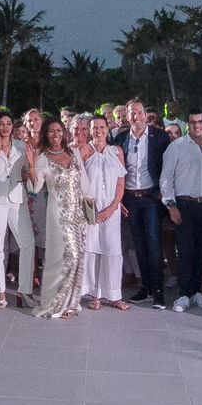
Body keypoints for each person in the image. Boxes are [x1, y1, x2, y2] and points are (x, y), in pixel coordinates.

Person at [27, 117, 88, 319]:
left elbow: (84, 182)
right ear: (46, 134)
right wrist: (31, 165)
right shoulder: (43, 158)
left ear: (64, 133)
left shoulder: (74, 153)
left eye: (59, 130)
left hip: (78, 213)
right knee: (65, 257)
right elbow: (35, 188)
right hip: (58, 214)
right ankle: (54, 303)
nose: (56, 135)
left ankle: (70, 303)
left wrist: (91, 205)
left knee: (78, 257)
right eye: (51, 131)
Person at [160, 109, 202, 313]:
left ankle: (196, 292)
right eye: (192, 122)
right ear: (187, 124)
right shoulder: (177, 146)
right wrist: (171, 205)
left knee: (201, 251)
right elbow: (166, 177)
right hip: (184, 205)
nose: (197, 125)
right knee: (184, 251)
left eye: (200, 121)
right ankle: (183, 294)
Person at [117, 99, 173, 308]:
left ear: (145, 114)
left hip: (151, 198)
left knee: (153, 244)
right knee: (139, 245)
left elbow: (167, 166)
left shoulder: (159, 136)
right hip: (131, 198)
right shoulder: (121, 138)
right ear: (127, 116)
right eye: (132, 113)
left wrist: (162, 192)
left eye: (139, 112)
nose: (136, 116)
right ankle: (146, 287)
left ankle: (158, 291)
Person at [78, 116, 128, 309]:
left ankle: (114, 294)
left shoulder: (117, 151)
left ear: (108, 128)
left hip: (111, 209)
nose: (98, 131)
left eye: (101, 127)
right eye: (94, 128)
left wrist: (113, 206)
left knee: (111, 248)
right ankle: (94, 294)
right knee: (91, 248)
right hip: (90, 209)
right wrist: (89, 208)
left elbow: (121, 182)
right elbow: (78, 181)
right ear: (90, 130)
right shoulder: (84, 150)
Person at [0, 109, 32, 308]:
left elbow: (29, 171)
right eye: (1, 123)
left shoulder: (21, 146)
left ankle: (25, 291)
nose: (5, 127)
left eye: (8, 123)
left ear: (13, 127)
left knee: (27, 243)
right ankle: (1, 293)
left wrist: (30, 170)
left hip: (16, 197)